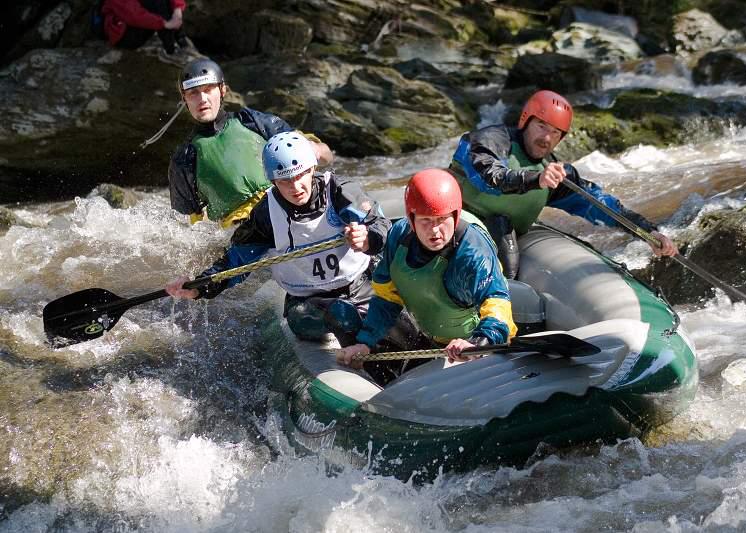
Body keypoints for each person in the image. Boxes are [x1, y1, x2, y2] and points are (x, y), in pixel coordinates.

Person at [166, 132, 390, 346]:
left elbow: (381, 224)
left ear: (312, 168)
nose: (295, 187)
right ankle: (361, 359)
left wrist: (368, 239)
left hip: (360, 286)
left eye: (300, 175)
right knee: (342, 314)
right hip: (306, 305)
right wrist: (199, 287)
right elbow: (235, 263)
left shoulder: (340, 191)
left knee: (399, 326)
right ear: (273, 181)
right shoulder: (266, 213)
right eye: (285, 181)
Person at [450, 89, 678, 279]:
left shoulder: (555, 173)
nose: (546, 138)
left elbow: (600, 205)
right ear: (525, 121)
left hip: (503, 233)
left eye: (555, 132)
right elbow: (490, 177)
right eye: (541, 126)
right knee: (500, 243)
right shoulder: (489, 140)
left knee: (506, 248)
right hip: (451, 223)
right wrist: (536, 179)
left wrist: (648, 232)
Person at [337, 169, 517, 373]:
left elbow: (497, 301)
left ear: (456, 216)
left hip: (475, 345)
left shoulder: (472, 251)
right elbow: (387, 299)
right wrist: (365, 342)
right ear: (411, 219)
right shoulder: (399, 236)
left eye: (442, 219)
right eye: (426, 220)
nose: (435, 230)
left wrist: (479, 342)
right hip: (434, 342)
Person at [169, 58, 333, 228]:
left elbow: (327, 155)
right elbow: (186, 224)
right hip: (243, 230)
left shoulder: (253, 121)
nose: (202, 99)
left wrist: (315, 149)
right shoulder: (184, 158)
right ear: (184, 98)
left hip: (285, 207)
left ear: (222, 90)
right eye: (193, 93)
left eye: (208, 89)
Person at [101, 0, 200, 66]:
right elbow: (133, 15)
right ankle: (170, 51)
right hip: (123, 35)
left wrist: (177, 10)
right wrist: (164, 24)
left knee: (163, 3)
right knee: (157, 2)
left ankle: (181, 41)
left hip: (138, 24)